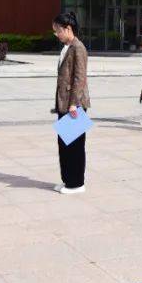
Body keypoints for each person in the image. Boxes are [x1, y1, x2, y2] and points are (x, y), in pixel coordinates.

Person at [53, 12, 90, 191]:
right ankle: (68, 179)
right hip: (64, 103)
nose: (56, 34)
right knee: (64, 144)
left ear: (68, 28)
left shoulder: (78, 47)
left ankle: (77, 183)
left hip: (74, 104)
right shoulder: (67, 47)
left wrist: (74, 103)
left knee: (74, 145)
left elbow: (80, 78)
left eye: (58, 30)